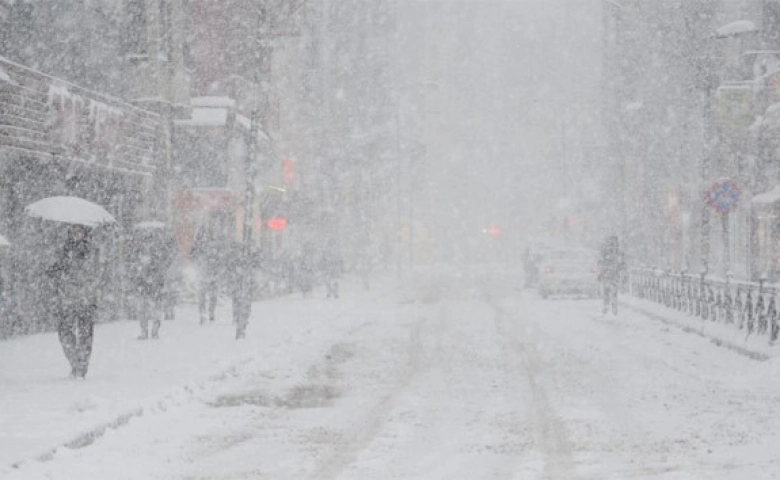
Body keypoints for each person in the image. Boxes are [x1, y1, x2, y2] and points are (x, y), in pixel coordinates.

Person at [47, 225, 100, 379]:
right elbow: (57, 271)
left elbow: (93, 273)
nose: (76, 234)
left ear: (85, 233)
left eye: (79, 231)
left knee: (85, 334)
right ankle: (76, 363)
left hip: (85, 299)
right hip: (67, 299)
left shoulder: (91, 251)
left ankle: (82, 366)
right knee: (64, 332)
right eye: (73, 231)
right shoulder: (63, 250)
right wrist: (55, 270)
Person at [128, 226, 175, 339]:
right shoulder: (160, 249)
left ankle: (147, 330)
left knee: (146, 308)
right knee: (153, 308)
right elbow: (165, 263)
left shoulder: (143, 250)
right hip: (152, 284)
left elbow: (136, 264)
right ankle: (153, 329)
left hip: (147, 284)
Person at [191, 219, 223, 324]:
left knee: (203, 295)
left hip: (204, 273)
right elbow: (219, 257)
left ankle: (204, 313)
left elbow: (192, 256)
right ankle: (209, 312)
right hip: (211, 273)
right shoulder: (214, 244)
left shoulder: (198, 245)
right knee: (211, 295)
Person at [227, 240, 253, 339]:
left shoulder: (234, 259)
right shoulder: (243, 260)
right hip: (241, 286)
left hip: (240, 285)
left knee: (239, 302)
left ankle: (239, 319)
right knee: (242, 303)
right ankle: (241, 321)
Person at [598, 235, 625, 315]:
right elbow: (622, 263)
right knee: (612, 291)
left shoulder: (606, 251)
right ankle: (612, 307)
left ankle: (609, 306)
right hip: (612, 274)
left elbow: (600, 263)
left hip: (609, 274)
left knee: (609, 291)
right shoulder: (617, 252)